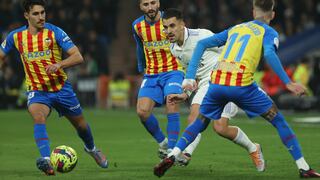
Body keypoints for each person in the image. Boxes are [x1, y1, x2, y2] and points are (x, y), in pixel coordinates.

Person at [154, 0, 320, 178]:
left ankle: (173, 154)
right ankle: (303, 167)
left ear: (252, 11)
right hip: (240, 84)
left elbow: (202, 45)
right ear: (272, 15)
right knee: (278, 120)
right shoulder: (269, 32)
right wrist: (288, 82)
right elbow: (270, 54)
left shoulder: (235, 28)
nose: (169, 30)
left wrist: (188, 80)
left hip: (216, 83)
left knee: (201, 122)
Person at [0, 0, 108, 175]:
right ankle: (46, 160)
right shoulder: (15, 36)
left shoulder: (55, 31)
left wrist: (59, 65)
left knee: (81, 125)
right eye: (36, 14)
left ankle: (91, 148)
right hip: (38, 90)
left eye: (43, 12)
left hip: (61, 88)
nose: (41, 17)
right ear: (26, 15)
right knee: (38, 116)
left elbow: (78, 56)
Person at [161, 8, 264, 169]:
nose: (168, 31)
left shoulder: (202, 35)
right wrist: (185, 94)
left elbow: (229, 51)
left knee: (196, 118)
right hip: (205, 85)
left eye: (172, 26)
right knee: (220, 128)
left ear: (182, 25)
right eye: (165, 27)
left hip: (224, 80)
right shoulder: (174, 48)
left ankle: (185, 152)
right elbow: (192, 75)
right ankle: (253, 148)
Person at [132, 0, 184, 158]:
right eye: (145, 4)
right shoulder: (137, 26)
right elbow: (139, 47)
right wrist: (141, 69)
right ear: (140, 7)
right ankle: (163, 143)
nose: (150, 7)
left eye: (153, 3)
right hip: (152, 73)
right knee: (142, 112)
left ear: (159, 3)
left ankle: (172, 151)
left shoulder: (169, 22)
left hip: (173, 70)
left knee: (171, 101)